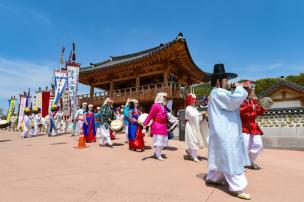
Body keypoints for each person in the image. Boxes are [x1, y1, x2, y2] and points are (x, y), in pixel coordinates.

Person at [205, 64, 251, 200]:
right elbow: (234, 101)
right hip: (225, 131)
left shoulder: (216, 93)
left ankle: (213, 178)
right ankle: (237, 187)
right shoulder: (218, 93)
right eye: (225, 80)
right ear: (218, 81)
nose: (227, 82)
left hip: (223, 130)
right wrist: (239, 88)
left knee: (222, 156)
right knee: (232, 158)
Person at [240, 80, 266, 170]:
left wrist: (263, 107)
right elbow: (238, 112)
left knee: (258, 145)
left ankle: (250, 161)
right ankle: (241, 164)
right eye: (247, 89)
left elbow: (259, 112)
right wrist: (251, 107)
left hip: (253, 126)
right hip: (243, 126)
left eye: (250, 89)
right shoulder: (238, 100)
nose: (249, 91)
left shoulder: (254, 101)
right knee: (244, 146)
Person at [143, 92, 168, 161]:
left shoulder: (164, 106)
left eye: (165, 97)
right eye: (164, 97)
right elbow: (150, 115)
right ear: (160, 97)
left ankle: (157, 152)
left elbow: (165, 115)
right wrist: (145, 124)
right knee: (159, 141)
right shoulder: (155, 105)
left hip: (163, 126)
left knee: (164, 141)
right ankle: (158, 155)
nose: (165, 98)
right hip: (157, 125)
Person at [184, 94, 208, 162]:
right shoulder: (188, 108)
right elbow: (192, 116)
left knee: (194, 141)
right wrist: (201, 114)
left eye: (195, 99)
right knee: (193, 140)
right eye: (193, 99)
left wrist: (203, 116)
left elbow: (197, 117)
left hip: (194, 126)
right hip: (190, 126)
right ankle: (194, 156)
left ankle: (190, 152)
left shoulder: (193, 108)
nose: (195, 100)